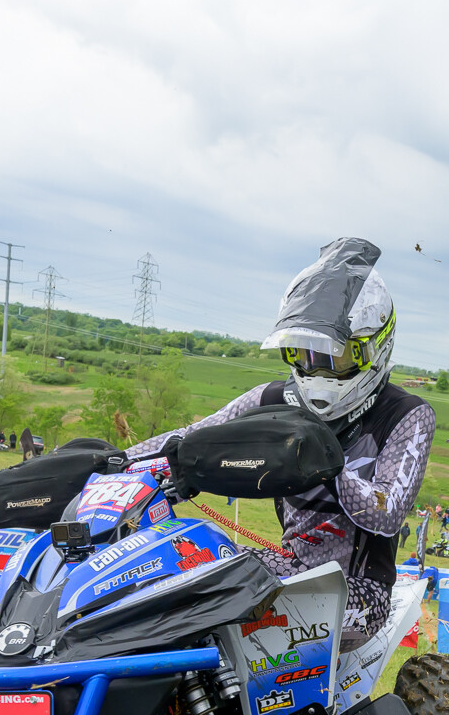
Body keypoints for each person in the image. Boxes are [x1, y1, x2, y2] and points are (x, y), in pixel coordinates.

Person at [129, 238, 432, 650]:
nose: (316, 368)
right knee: (178, 561)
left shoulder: (405, 414)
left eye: (335, 357)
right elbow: (196, 437)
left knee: (246, 610)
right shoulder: (274, 399)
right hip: (289, 565)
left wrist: (330, 466)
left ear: (374, 348)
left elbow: (388, 513)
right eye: (303, 353)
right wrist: (114, 461)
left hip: (358, 592)